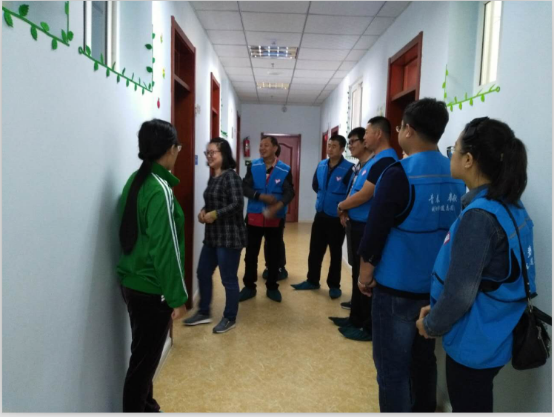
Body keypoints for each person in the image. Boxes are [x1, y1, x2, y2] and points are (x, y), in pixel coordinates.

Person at [415, 118, 535, 412]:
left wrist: (431, 325)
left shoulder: (479, 217)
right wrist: (438, 307)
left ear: (468, 159)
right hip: (496, 333)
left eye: (453, 149)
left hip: (473, 342)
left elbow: (460, 294)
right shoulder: (510, 204)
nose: (451, 156)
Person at [357, 98, 466, 412]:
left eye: (401, 126)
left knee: (392, 369)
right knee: (424, 361)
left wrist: (365, 275)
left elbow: (375, 232)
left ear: (409, 130)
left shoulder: (398, 174)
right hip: (435, 290)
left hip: (396, 289)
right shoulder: (456, 173)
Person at [117, 119, 188, 412]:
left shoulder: (136, 180)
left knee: (143, 356)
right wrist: (177, 298)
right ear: (170, 150)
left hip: (132, 283)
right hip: (150, 289)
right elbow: (166, 250)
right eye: (177, 147)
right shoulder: (160, 190)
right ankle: (139, 407)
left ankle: (147, 405)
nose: (178, 152)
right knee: (143, 364)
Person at [328, 120, 398, 342]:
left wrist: (342, 205)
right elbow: (356, 188)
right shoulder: (373, 161)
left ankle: (367, 326)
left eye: (366, 133)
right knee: (358, 272)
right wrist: (346, 210)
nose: (364, 137)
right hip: (356, 224)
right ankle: (355, 318)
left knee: (366, 277)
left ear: (378, 134)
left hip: (367, 225)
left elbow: (366, 194)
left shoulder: (386, 161)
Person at [183, 137, 247, 333]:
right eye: (207, 153)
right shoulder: (213, 177)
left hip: (229, 237)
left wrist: (215, 214)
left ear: (224, 154)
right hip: (212, 236)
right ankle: (204, 312)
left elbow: (237, 204)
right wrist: (204, 211)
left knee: (228, 279)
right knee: (202, 272)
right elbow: (212, 202)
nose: (209, 156)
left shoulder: (232, 177)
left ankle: (230, 317)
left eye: (213, 152)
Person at [291, 134, 354, 298]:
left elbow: (351, 192)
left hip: (337, 216)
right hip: (320, 214)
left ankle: (334, 285)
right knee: (315, 250)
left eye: (334, 146)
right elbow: (315, 185)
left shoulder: (349, 169)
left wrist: (341, 207)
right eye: (329, 145)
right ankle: (312, 280)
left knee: (335, 253)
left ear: (342, 149)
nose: (330, 149)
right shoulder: (321, 165)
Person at [240, 135, 295, 303]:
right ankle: (249, 286)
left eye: (266, 145)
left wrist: (278, 206)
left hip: (275, 218)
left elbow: (289, 192)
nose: (262, 148)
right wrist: (260, 196)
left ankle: (272, 287)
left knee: (273, 254)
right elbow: (244, 187)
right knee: (251, 254)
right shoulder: (253, 166)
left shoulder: (284, 169)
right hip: (254, 216)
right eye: (260, 145)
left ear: (275, 148)